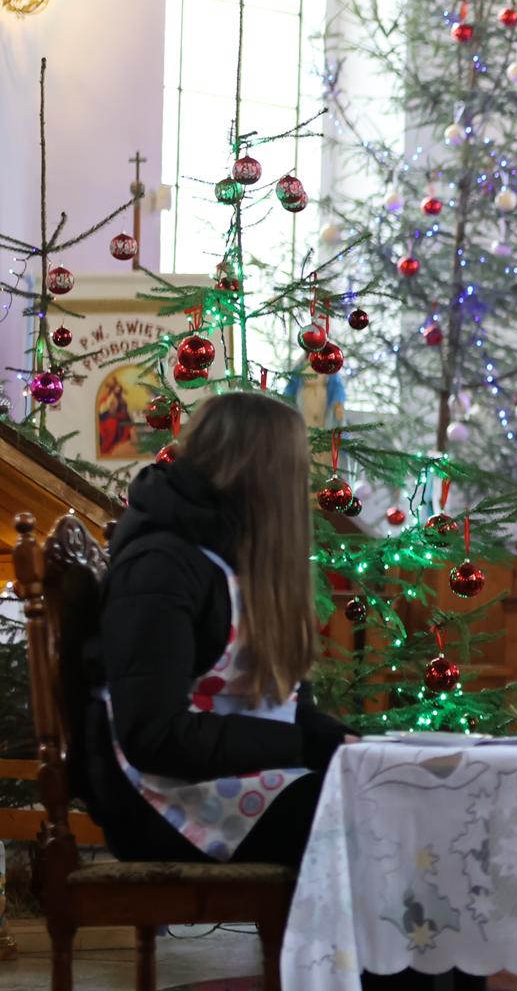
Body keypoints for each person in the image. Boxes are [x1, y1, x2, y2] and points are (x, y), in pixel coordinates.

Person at [78, 392, 475, 990]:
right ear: (265, 472)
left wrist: (335, 740)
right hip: (164, 798)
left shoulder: (237, 551)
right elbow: (150, 734)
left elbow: (284, 705)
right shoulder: (162, 562)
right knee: (380, 826)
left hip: (237, 779)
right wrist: (301, 743)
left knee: (402, 802)